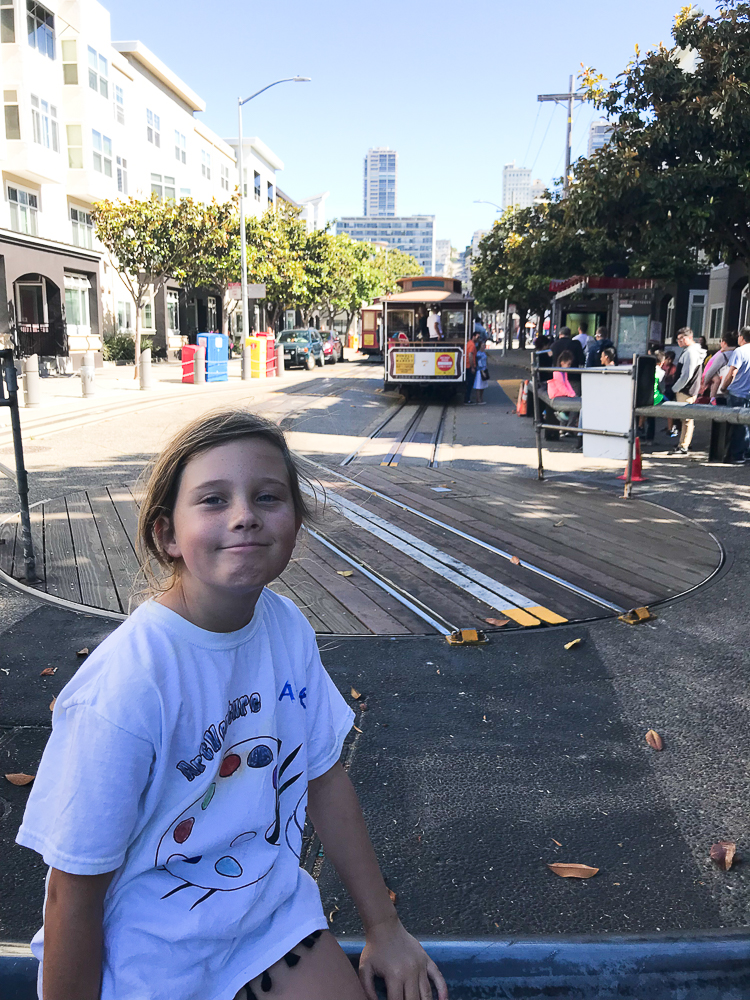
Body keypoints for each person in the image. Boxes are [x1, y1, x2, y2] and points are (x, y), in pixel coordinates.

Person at [16, 411, 448, 1000]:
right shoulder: (129, 683)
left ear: (296, 521)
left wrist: (385, 926)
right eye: (214, 500)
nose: (244, 515)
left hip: (266, 922)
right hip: (151, 955)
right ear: (168, 534)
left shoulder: (286, 628)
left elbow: (321, 776)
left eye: (267, 497)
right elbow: (72, 890)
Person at [670, 327, 707, 455]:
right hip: (689, 389)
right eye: (678, 339)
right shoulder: (692, 351)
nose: (679, 341)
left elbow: (687, 374)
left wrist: (675, 388)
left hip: (686, 390)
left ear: (690, 338)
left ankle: (684, 445)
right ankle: (683, 443)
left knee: (686, 419)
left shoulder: (691, 352)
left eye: (682, 338)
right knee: (686, 418)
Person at [719, 326, 750, 463]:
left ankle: (737, 455)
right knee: (746, 425)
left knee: (737, 426)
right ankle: (746, 453)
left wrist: (724, 387)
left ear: (742, 338)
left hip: (738, 392)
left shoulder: (740, 351)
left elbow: (732, 372)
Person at [700, 331, 738, 402]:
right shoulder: (740, 354)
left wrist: (704, 383)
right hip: (737, 391)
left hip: (722, 392)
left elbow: (710, 372)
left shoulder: (723, 356)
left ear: (724, 343)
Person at [471, 338, 489, 404]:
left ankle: (481, 398)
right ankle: (478, 399)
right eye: (482, 345)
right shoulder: (478, 354)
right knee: (479, 385)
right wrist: (482, 371)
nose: (484, 346)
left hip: (484, 370)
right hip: (480, 371)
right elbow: (479, 363)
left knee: (483, 386)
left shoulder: (484, 353)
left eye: (484, 345)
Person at [464, 331, 478, 403]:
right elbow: (470, 355)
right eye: (477, 337)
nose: (478, 338)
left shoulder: (468, 343)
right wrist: (472, 367)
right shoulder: (472, 345)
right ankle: (467, 399)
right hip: (470, 366)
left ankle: (467, 398)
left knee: (468, 383)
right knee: (470, 383)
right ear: (473, 336)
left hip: (466, 365)